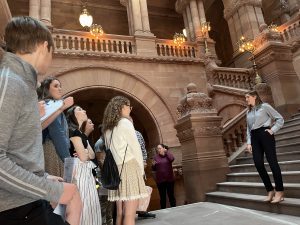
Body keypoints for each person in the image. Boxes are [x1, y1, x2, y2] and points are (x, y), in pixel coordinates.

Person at [0, 16, 81, 225]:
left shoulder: (21, 84)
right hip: (16, 209)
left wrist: (42, 178)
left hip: (28, 203)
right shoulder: (10, 83)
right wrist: (50, 189)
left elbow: (16, 151)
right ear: (44, 46)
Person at [102, 96, 148, 225]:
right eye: (129, 106)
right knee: (129, 215)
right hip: (129, 168)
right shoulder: (125, 123)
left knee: (122, 213)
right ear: (121, 107)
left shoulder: (107, 129)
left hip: (116, 170)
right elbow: (136, 149)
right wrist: (141, 171)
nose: (130, 109)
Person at [245, 90, 285, 203]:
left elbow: (280, 119)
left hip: (265, 135)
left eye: (248, 97)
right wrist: (248, 142)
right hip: (254, 137)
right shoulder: (248, 112)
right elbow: (248, 129)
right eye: (246, 98)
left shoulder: (265, 106)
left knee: (273, 163)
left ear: (255, 97)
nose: (246, 99)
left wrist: (272, 130)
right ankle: (270, 190)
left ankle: (279, 191)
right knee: (258, 163)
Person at [66, 106, 102, 225]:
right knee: (85, 207)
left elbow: (91, 155)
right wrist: (85, 153)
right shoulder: (73, 131)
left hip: (86, 173)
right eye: (80, 110)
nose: (84, 111)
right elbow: (83, 156)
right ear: (73, 115)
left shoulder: (81, 133)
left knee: (92, 206)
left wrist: (85, 152)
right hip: (79, 174)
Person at [37, 76, 74, 177]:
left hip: (53, 150)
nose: (60, 88)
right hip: (54, 151)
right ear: (47, 89)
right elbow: (57, 133)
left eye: (60, 86)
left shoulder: (50, 106)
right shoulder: (51, 105)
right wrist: (68, 159)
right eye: (56, 86)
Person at [128, 116, 155, 219]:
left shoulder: (137, 134)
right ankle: (131, 212)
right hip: (127, 166)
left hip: (138, 166)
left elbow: (143, 149)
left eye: (130, 121)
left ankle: (142, 211)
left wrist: (144, 161)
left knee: (142, 188)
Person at [94, 125, 114, 225]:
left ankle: (109, 222)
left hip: (108, 177)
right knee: (103, 202)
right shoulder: (100, 143)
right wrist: (109, 175)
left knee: (110, 201)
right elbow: (100, 160)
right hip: (103, 178)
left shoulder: (107, 142)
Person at [152, 144, 176, 209]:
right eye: (157, 148)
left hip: (169, 180)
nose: (158, 150)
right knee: (162, 197)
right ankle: (163, 210)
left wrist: (166, 152)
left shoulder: (168, 156)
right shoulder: (155, 157)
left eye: (159, 148)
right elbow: (153, 169)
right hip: (160, 181)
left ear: (163, 148)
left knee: (171, 196)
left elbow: (172, 159)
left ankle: (174, 209)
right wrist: (153, 165)